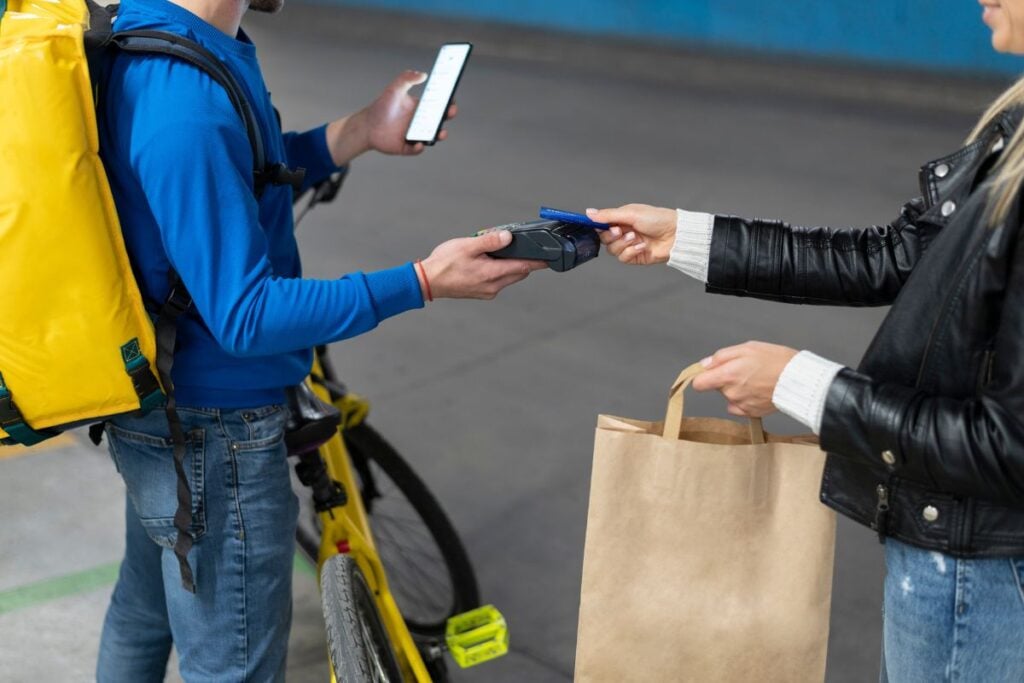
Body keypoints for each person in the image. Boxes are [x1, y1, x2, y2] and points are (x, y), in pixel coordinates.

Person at [93, 0, 543, 679]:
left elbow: (243, 177)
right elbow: (246, 317)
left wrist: (360, 130)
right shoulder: (182, 99)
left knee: (147, 602)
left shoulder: (184, 37)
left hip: (166, 402)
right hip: (215, 429)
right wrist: (422, 280)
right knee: (231, 665)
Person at [588, 2, 1024, 680]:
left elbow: (1011, 446)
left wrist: (801, 384)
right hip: (960, 563)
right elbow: (894, 255)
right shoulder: (1015, 124)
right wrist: (687, 236)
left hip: (982, 581)